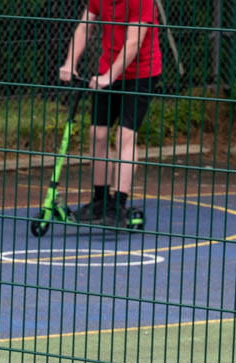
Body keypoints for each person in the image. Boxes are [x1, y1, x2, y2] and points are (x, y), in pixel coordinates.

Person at [58, 0, 162, 227]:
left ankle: (118, 205)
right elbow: (85, 27)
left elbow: (134, 41)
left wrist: (109, 77)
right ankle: (100, 201)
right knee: (98, 134)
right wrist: (70, 62)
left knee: (125, 136)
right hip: (109, 69)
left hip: (141, 74)